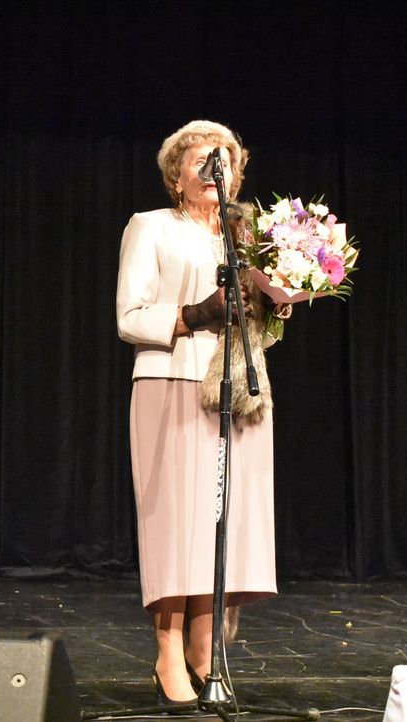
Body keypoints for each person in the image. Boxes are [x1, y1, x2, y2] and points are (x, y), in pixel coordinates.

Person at [115, 120, 289, 704]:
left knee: (226, 519)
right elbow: (129, 317)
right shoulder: (150, 227)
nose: (215, 170)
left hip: (241, 388)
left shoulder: (248, 236)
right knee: (175, 523)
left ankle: (204, 648)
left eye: (225, 161)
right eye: (201, 162)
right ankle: (168, 654)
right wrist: (197, 313)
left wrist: (278, 302)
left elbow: (262, 319)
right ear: (177, 176)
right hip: (172, 382)